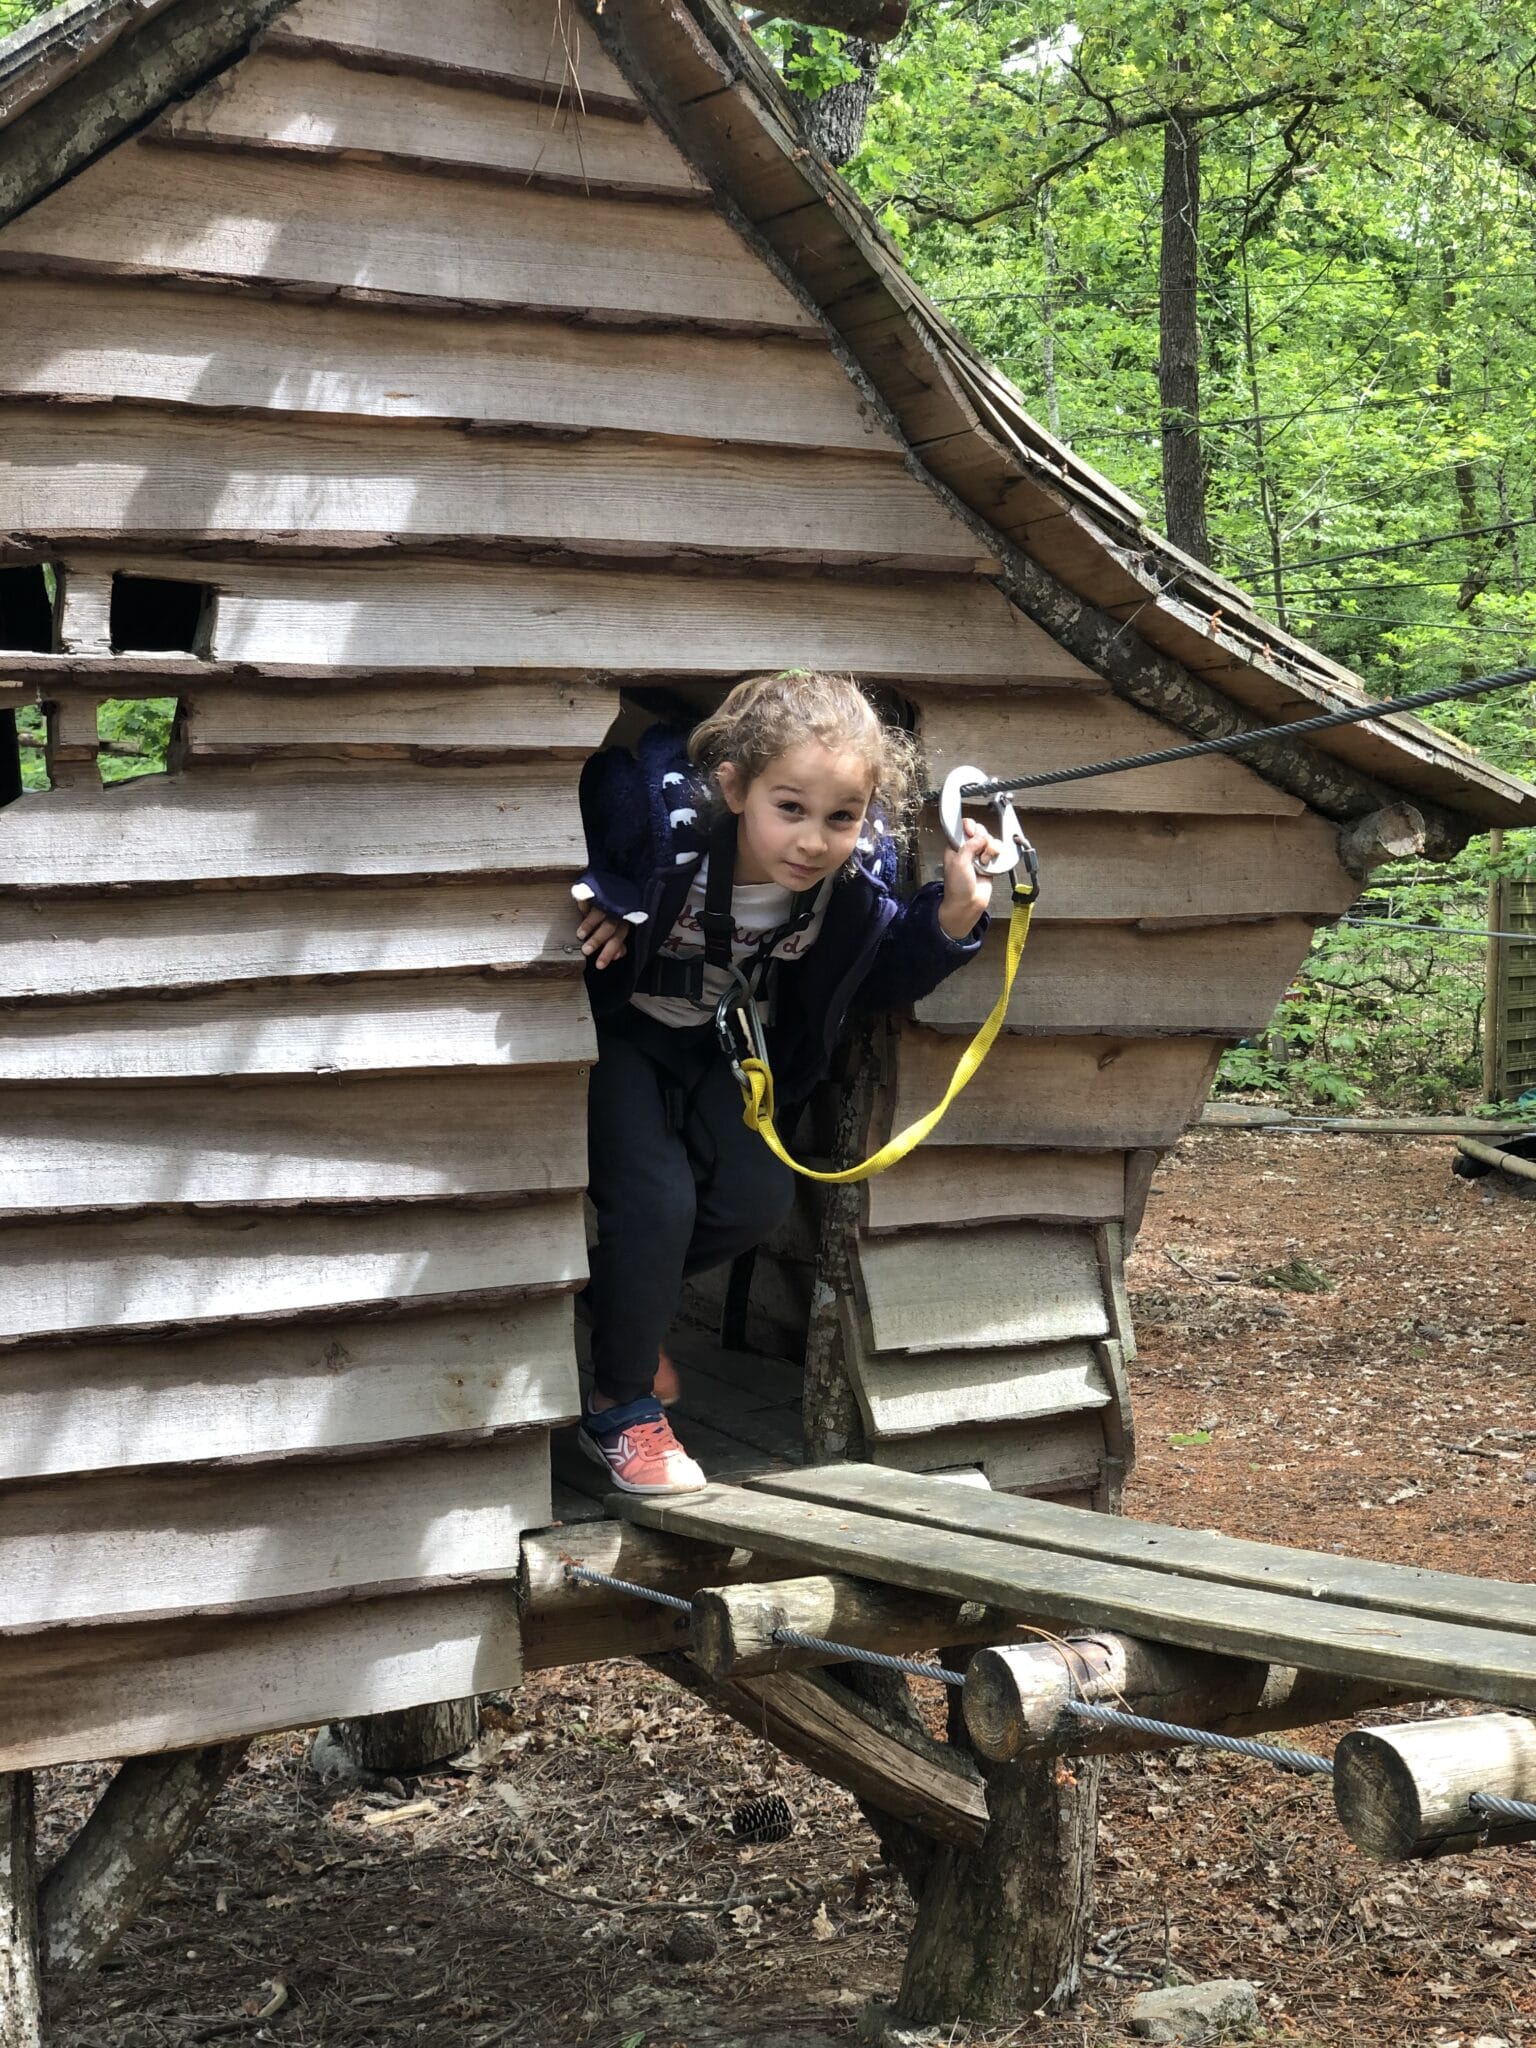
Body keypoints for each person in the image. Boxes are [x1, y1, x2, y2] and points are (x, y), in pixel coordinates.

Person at [572, 671, 1000, 1494]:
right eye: (791, 809)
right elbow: (600, 786)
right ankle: (619, 1405)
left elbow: (875, 978)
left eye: (840, 817)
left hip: (725, 1045)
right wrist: (609, 892)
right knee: (656, 1204)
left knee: (752, 1201)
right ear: (735, 787)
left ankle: (618, 1295)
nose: (812, 839)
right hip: (624, 1034)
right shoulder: (671, 829)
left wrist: (951, 916)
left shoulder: (850, 881)